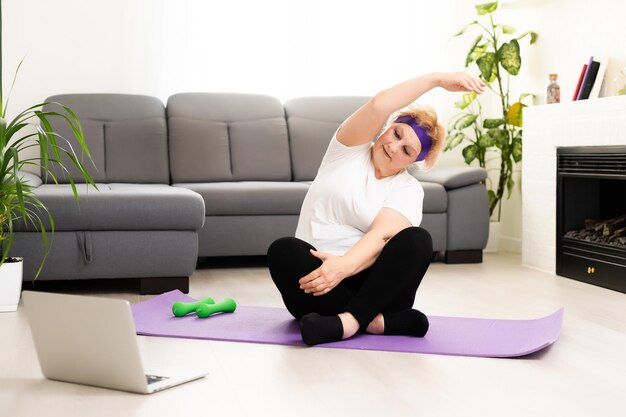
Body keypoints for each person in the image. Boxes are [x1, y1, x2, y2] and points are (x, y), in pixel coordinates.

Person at [267, 72, 486, 345]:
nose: (394, 147)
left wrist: (343, 267)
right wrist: (436, 81)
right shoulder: (347, 150)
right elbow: (378, 105)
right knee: (283, 250)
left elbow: (381, 235)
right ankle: (380, 322)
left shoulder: (408, 189)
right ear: (388, 126)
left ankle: (346, 323)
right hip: (319, 282)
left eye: (406, 150)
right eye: (396, 134)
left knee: (417, 240)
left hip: (374, 284)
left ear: (413, 161)